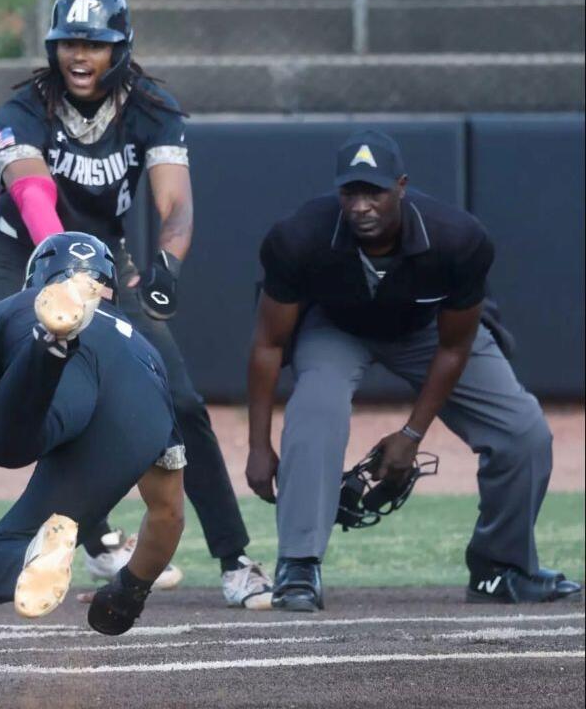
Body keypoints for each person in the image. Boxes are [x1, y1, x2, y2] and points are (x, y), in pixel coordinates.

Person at [0, 0, 270, 608]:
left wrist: (167, 261)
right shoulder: (24, 109)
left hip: (107, 263)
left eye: (95, 43)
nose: (80, 56)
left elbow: (175, 199)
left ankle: (235, 558)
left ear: (122, 46)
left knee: (182, 400)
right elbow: (33, 194)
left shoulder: (152, 105)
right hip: (23, 253)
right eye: (68, 43)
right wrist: (59, 276)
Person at [246, 130, 583, 611]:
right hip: (337, 328)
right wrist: (259, 446)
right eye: (351, 192)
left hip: (428, 332)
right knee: (316, 409)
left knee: (523, 432)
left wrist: (411, 434)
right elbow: (268, 344)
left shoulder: (458, 239)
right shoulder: (299, 237)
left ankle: (501, 568)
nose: (362, 205)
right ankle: (298, 566)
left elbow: (454, 346)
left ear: (401, 186)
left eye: (374, 191)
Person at [0, 232, 184, 634]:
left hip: (47, 395)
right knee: (0, 557)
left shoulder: (9, 309)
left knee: (5, 453)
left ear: (38, 279)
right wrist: (129, 592)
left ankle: (49, 346)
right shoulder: (148, 352)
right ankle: (35, 549)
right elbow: (168, 513)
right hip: (136, 410)